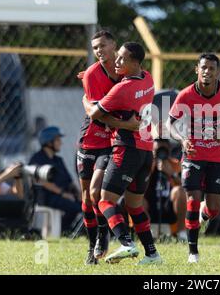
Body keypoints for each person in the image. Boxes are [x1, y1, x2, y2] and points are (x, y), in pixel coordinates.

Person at [85, 41, 162, 265]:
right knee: (134, 205)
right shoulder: (147, 78)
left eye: (122, 59)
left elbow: (94, 114)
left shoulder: (122, 89)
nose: (116, 61)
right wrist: (126, 122)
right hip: (147, 151)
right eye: (117, 56)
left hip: (126, 149)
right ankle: (152, 254)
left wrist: (85, 100)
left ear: (135, 63)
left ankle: (127, 243)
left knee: (104, 201)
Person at [167, 53, 220, 263]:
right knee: (192, 198)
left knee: (215, 208)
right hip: (193, 154)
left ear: (218, 72)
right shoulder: (186, 95)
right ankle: (193, 252)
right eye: (204, 67)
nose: (207, 71)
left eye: (211, 68)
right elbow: (169, 124)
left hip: (218, 155)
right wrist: (182, 139)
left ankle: (204, 215)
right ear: (196, 70)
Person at [76, 30, 139, 265]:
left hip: (110, 143)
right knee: (86, 197)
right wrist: (127, 123)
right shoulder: (92, 74)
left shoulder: (126, 71)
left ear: (114, 45)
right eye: (95, 48)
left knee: (96, 193)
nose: (99, 50)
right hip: (90, 138)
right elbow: (96, 114)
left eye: (103, 45)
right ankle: (91, 247)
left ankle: (104, 233)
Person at [29, 126, 82, 234]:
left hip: (62, 195)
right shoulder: (37, 158)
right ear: (49, 142)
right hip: (46, 197)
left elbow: (69, 181)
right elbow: (41, 181)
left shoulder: (58, 160)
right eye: (58, 140)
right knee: (75, 207)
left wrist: (79, 193)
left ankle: (65, 230)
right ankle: (63, 231)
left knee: (83, 205)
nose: (60, 143)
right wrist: (63, 194)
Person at [144, 139, 187, 241]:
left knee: (179, 190)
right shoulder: (147, 163)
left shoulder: (175, 164)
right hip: (150, 202)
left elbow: (185, 187)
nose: (161, 152)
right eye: (158, 149)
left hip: (169, 204)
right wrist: (150, 169)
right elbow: (139, 186)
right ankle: (145, 231)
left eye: (164, 149)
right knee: (138, 198)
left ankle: (181, 232)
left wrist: (172, 174)